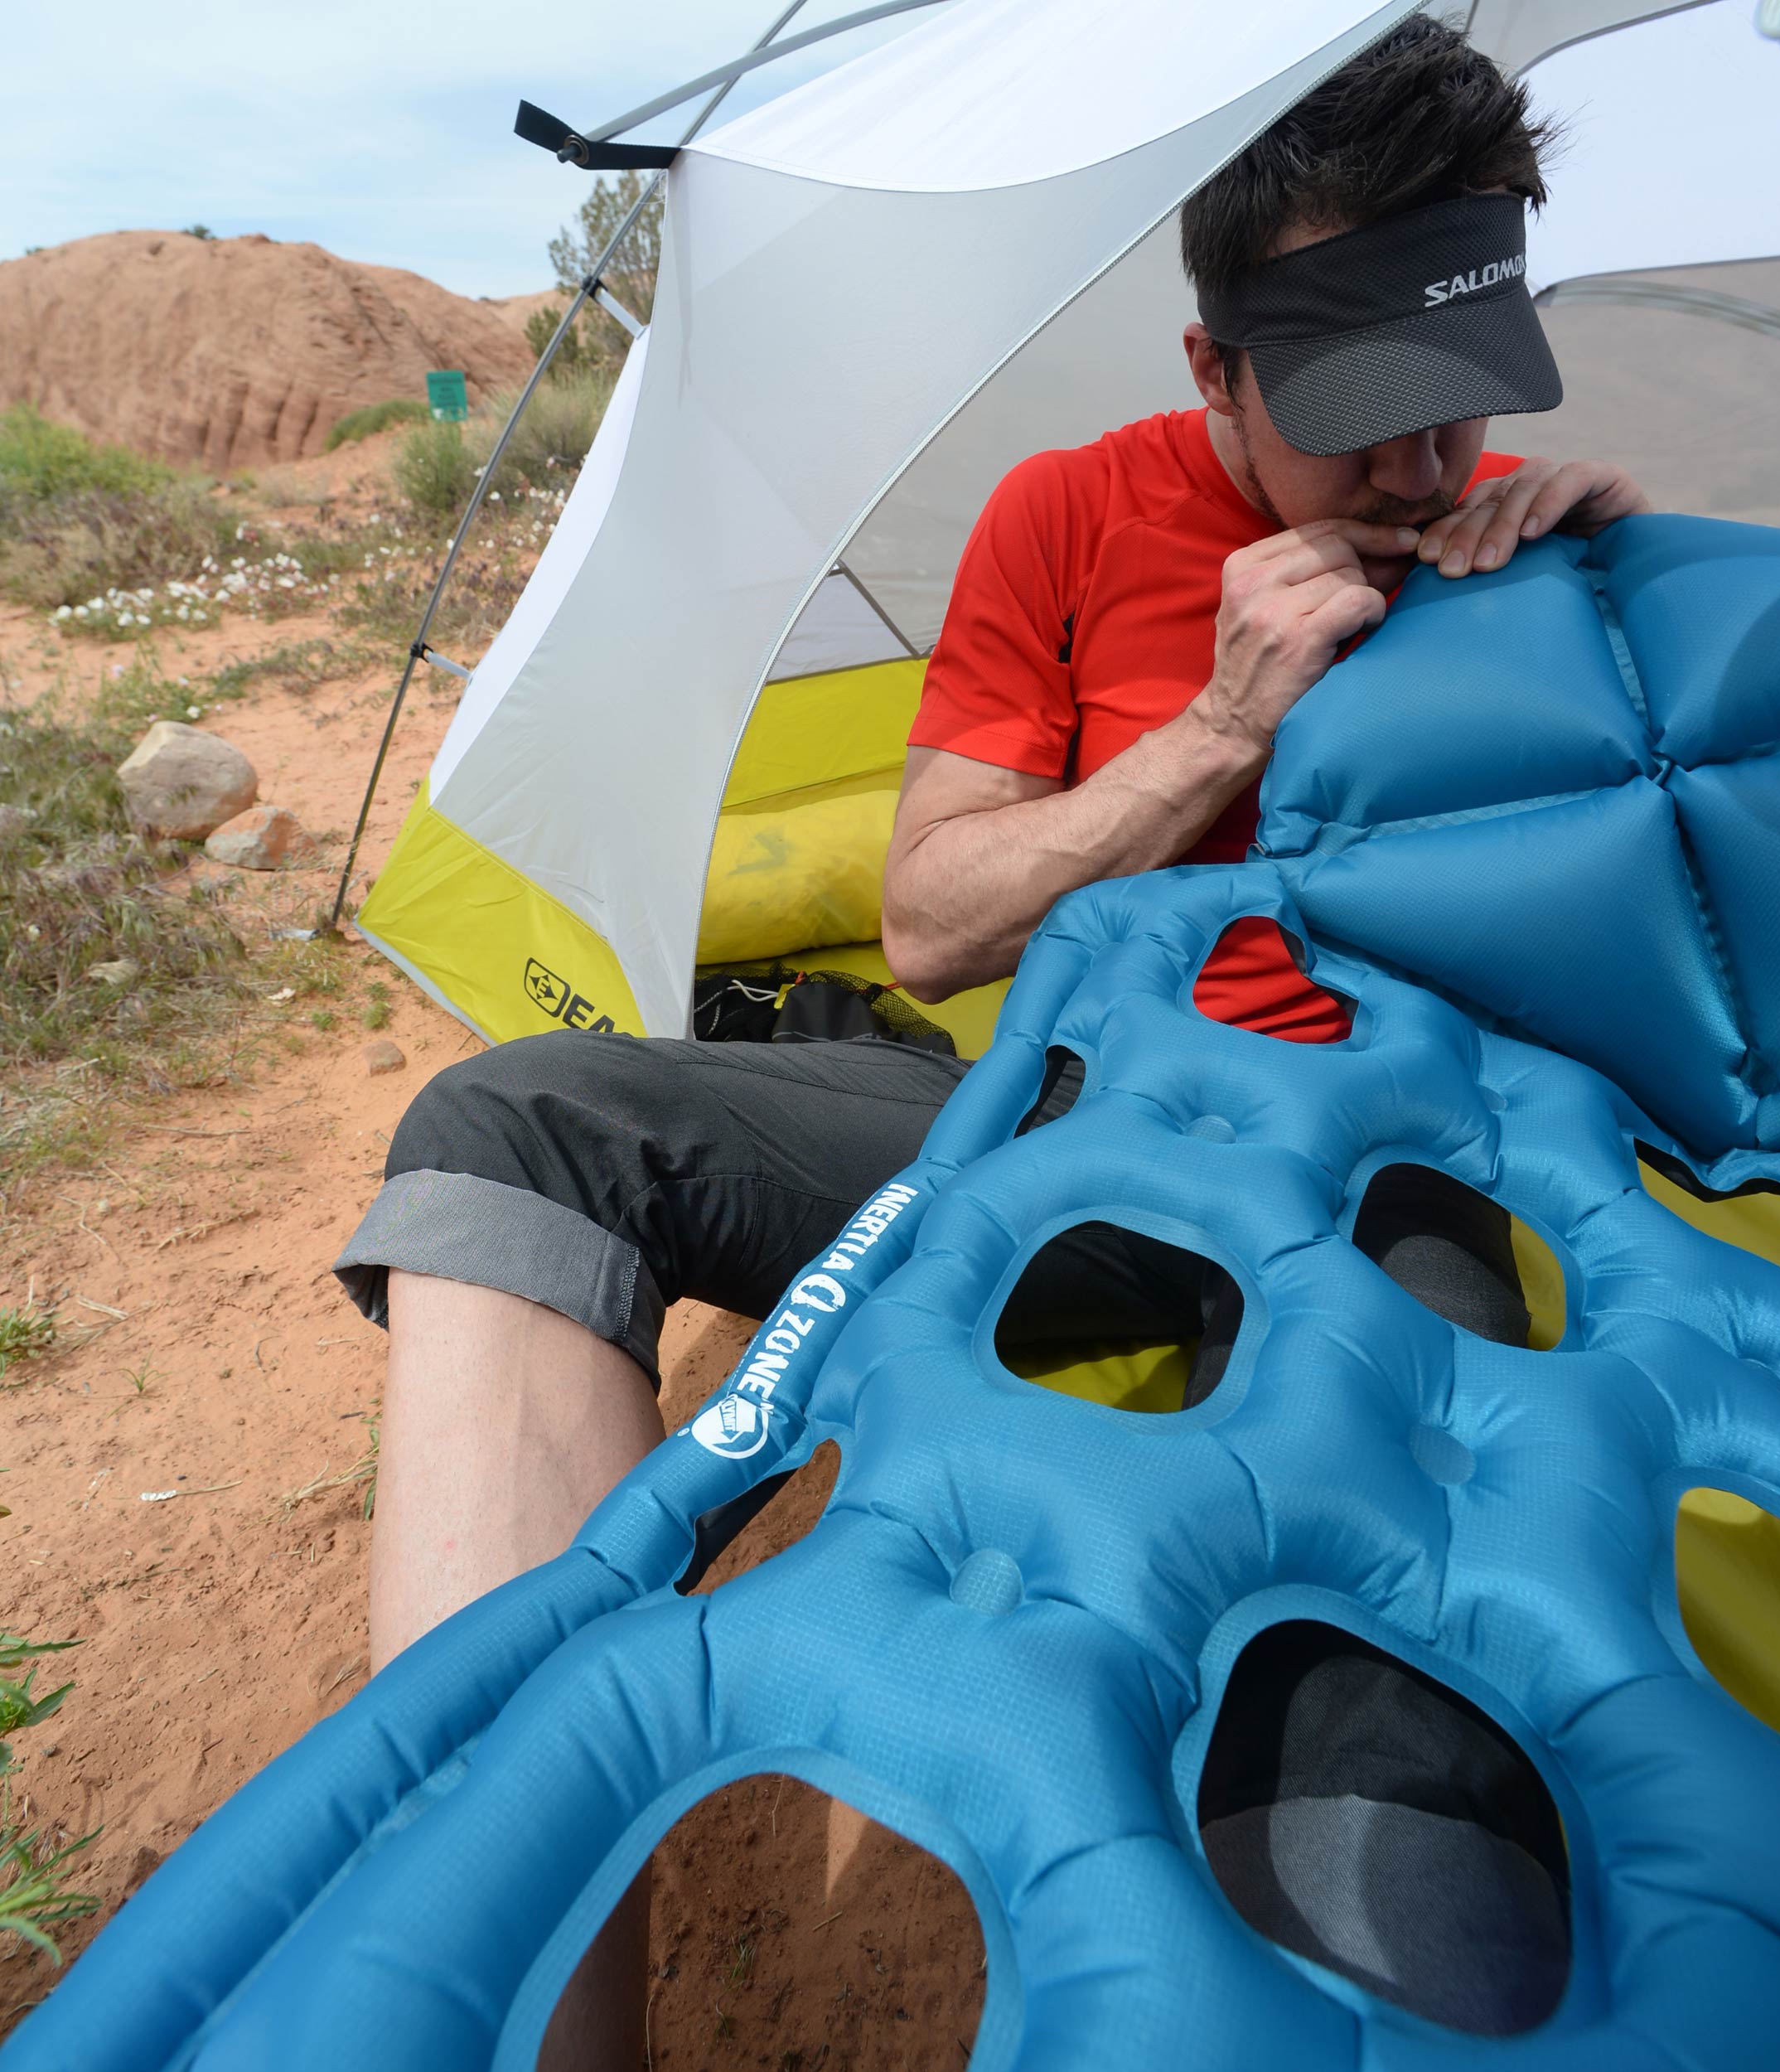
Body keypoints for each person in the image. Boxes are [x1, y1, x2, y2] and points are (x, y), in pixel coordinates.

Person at [335, 14, 1648, 2047]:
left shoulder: (1519, 557)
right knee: (517, 1121)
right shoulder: (1069, 514)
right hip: (1051, 1112)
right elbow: (932, 922)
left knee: (1385, 1569)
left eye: (1456, 396)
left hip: (1381, 1159)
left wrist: (1611, 649)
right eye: (1361, 413)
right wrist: (1222, 722)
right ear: (1213, 368)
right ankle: (499, 1992)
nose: (1417, 466)